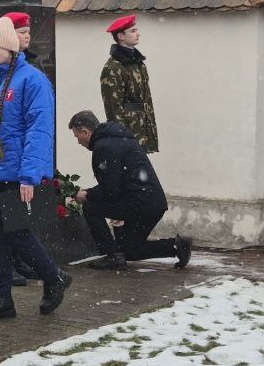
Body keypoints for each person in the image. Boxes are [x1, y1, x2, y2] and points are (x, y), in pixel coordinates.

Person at [0, 17, 73, 321]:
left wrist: (29, 176)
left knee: (18, 235)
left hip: (15, 174)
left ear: (10, 48)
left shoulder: (33, 80)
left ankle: (54, 278)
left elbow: (39, 133)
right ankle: (1, 299)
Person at [68, 110, 192, 270]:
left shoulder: (104, 147)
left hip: (139, 203)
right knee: (128, 250)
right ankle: (176, 246)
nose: (78, 141)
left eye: (77, 136)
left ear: (85, 131)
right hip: (152, 202)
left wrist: (87, 194)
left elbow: (110, 188)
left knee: (91, 207)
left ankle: (112, 256)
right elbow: (117, 183)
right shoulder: (118, 139)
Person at [101, 14, 159, 153]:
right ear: (121, 36)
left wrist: (150, 133)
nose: (138, 34)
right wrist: (123, 140)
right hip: (128, 134)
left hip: (142, 129)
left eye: (136, 30)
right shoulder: (113, 68)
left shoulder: (139, 64)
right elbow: (113, 108)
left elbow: (147, 100)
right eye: (133, 31)